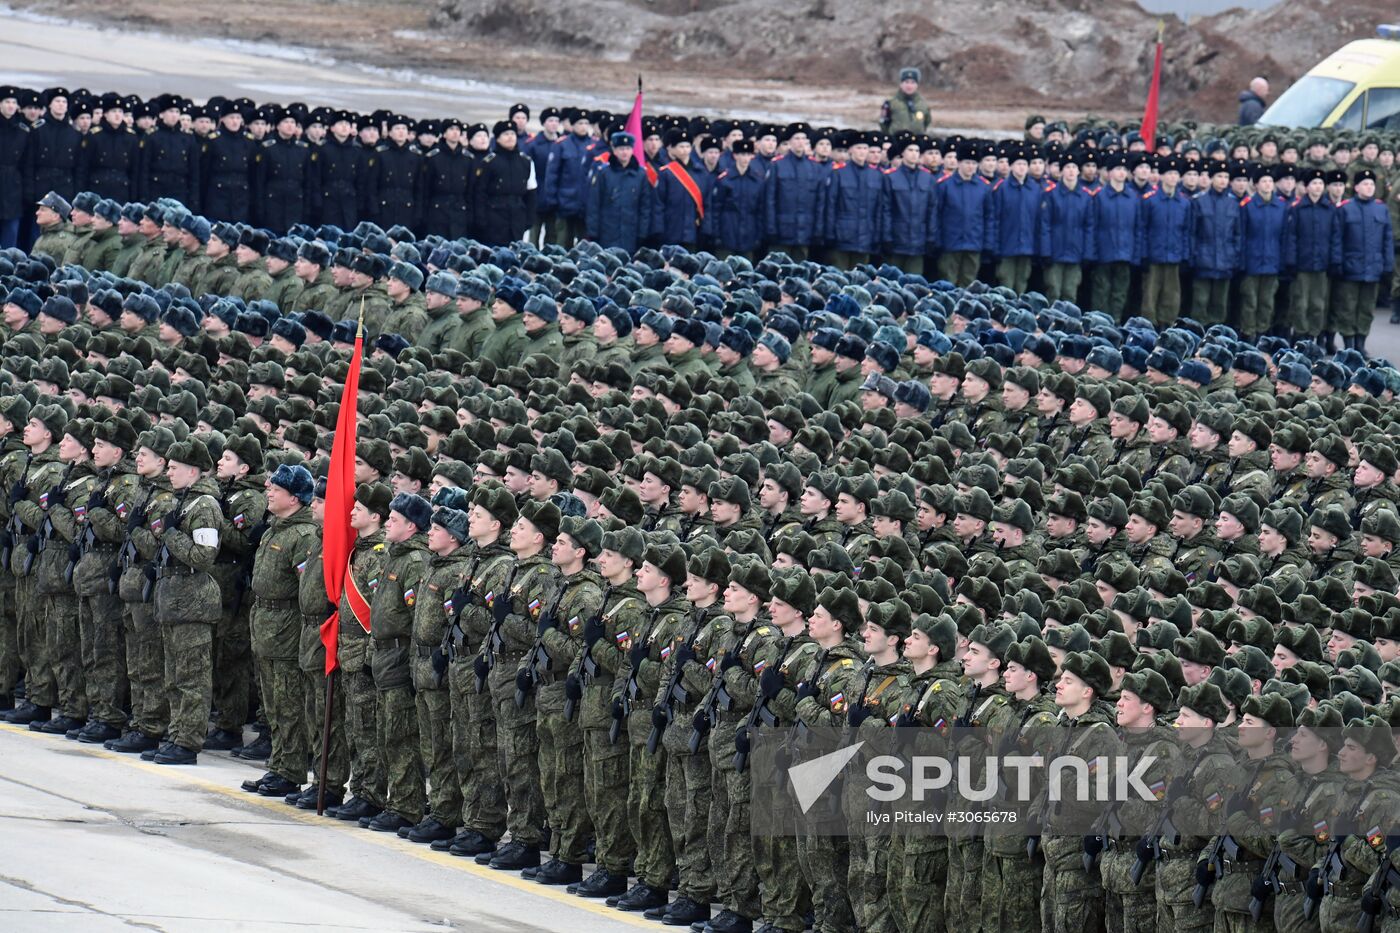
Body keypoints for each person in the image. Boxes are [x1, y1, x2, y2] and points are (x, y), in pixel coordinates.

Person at [879, 68, 932, 136]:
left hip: (917, 143)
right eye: (906, 82)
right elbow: (883, 123)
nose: (909, 86)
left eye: (912, 82)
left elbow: (927, 122)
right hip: (897, 142)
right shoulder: (890, 103)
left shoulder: (923, 104)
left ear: (917, 85)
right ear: (901, 84)